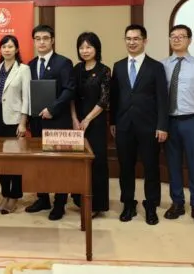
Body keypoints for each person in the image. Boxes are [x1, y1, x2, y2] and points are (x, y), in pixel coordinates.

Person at [110, 24, 168, 225]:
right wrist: (112, 122)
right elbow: (114, 97)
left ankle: (151, 206)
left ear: (145, 41)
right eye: (128, 38)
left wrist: (162, 125)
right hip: (124, 125)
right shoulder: (117, 66)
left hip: (149, 126)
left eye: (136, 39)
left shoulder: (156, 67)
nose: (132, 42)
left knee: (151, 168)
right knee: (125, 167)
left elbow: (162, 98)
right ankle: (128, 204)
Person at [162, 24, 194, 226]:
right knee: (172, 164)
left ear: (189, 40)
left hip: (193, 120)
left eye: (181, 36)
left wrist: (193, 108)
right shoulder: (163, 65)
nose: (176, 39)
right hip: (169, 121)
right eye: (173, 36)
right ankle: (177, 203)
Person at [25, 24, 74, 221]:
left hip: (58, 121)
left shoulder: (64, 63)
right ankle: (43, 198)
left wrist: (52, 109)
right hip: (36, 122)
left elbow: (69, 89)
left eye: (45, 38)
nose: (42, 42)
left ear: (52, 40)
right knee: (40, 163)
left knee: (59, 164)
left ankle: (60, 203)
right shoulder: (30, 64)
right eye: (38, 38)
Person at [0, 35, 31, 215]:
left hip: (14, 120)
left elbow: (26, 97)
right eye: (4, 47)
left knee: (14, 160)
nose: (7, 50)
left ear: (17, 49)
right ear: (0, 50)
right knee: (1, 162)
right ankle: (4, 195)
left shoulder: (23, 69)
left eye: (11, 47)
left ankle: (14, 197)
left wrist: (23, 122)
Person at [70, 32, 111, 219]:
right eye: (81, 47)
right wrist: (74, 119)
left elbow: (104, 100)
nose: (85, 51)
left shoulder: (104, 70)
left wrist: (87, 119)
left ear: (97, 48)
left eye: (88, 47)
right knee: (78, 163)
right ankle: (81, 201)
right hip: (76, 123)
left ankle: (96, 204)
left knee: (96, 162)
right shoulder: (76, 69)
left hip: (95, 122)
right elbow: (70, 96)